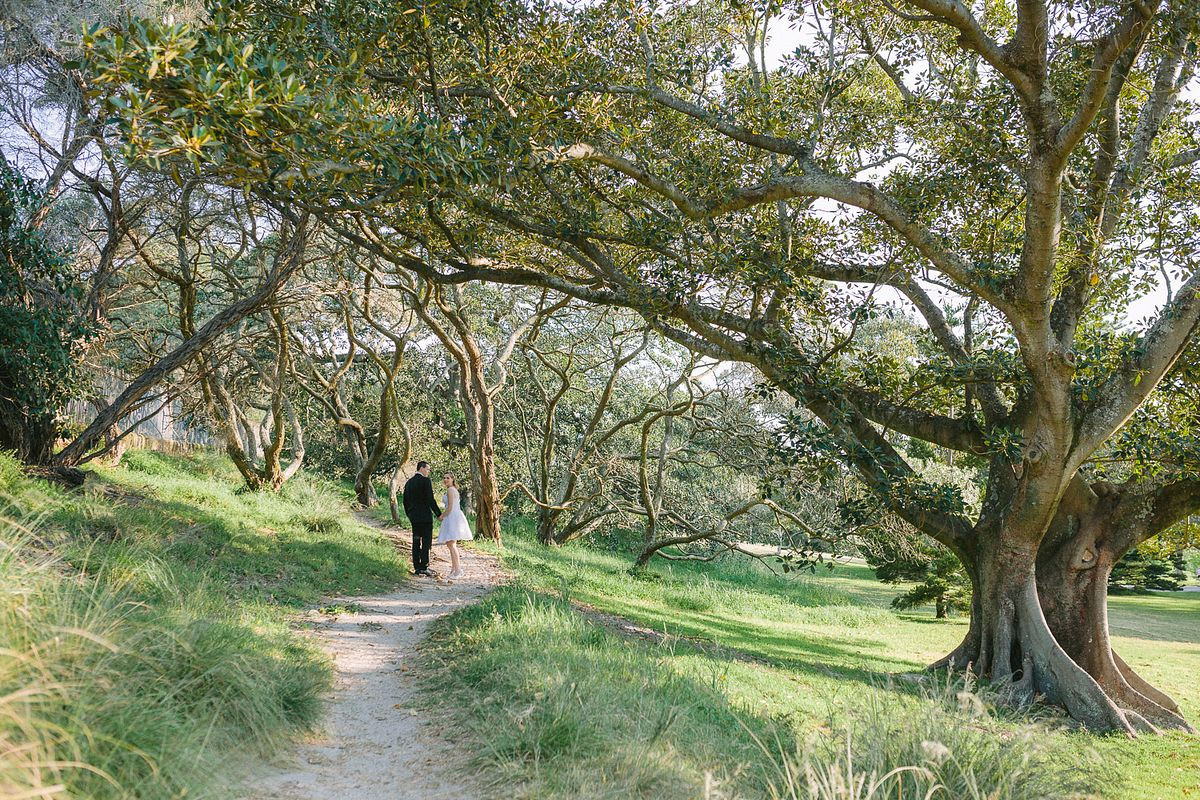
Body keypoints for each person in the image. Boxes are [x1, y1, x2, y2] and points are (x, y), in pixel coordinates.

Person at [402, 461, 441, 577]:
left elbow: (405, 501)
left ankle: (416, 567)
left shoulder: (409, 482)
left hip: (414, 518)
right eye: (427, 469)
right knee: (426, 541)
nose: (428, 472)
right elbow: (430, 499)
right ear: (422, 468)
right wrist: (438, 513)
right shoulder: (425, 481)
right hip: (425, 518)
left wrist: (409, 514)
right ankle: (424, 566)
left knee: (415, 541)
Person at [435, 472, 473, 580]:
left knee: (451, 544)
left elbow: (450, 507)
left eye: (448, 478)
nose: (445, 479)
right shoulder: (452, 489)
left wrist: (442, 516)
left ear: (452, 479)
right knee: (450, 543)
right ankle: (454, 569)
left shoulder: (451, 490)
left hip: (452, 517)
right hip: (453, 516)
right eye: (444, 478)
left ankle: (458, 570)